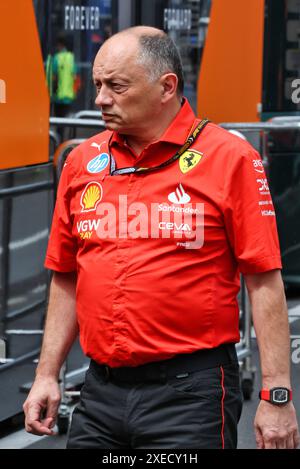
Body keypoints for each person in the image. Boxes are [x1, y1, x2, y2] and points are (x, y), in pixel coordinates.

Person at [23, 26, 300, 449]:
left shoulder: (231, 158)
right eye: (98, 85)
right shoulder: (82, 162)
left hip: (190, 396)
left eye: (116, 86)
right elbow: (66, 275)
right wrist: (46, 374)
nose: (100, 99)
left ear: (166, 86)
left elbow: (263, 281)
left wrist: (276, 396)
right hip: (99, 394)